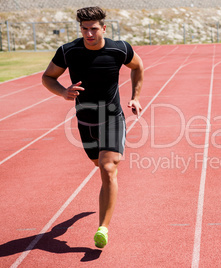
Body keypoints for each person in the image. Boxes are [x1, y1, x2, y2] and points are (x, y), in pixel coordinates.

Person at [42, 6, 144, 248]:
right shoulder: (68, 52)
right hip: (85, 121)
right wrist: (62, 91)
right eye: (84, 29)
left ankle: (103, 228)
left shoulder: (119, 49)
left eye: (94, 29)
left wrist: (135, 97)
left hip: (112, 117)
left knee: (108, 168)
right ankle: (95, 204)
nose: (89, 34)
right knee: (98, 164)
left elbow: (138, 67)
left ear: (103, 28)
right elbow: (48, 77)